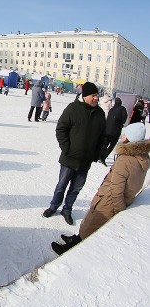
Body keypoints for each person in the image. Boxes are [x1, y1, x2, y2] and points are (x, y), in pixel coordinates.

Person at [51, 123, 150, 255]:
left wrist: (118, 210)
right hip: (116, 199)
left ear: (130, 139)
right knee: (90, 225)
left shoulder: (125, 160)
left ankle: (70, 249)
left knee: (91, 226)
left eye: (126, 134)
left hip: (109, 202)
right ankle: (76, 238)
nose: (123, 135)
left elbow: (116, 189)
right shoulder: (142, 157)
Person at [43, 82, 107, 225]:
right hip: (69, 159)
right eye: (94, 96)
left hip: (86, 161)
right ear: (85, 96)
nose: (96, 98)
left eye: (97, 96)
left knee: (75, 189)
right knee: (61, 186)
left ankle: (67, 210)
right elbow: (60, 129)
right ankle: (53, 206)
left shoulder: (100, 114)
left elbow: (103, 137)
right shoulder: (73, 109)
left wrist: (96, 154)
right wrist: (67, 149)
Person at [100, 97, 129, 165]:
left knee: (106, 143)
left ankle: (100, 155)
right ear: (121, 103)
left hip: (107, 130)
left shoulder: (111, 109)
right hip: (116, 130)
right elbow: (124, 118)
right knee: (112, 145)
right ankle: (104, 156)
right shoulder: (122, 108)